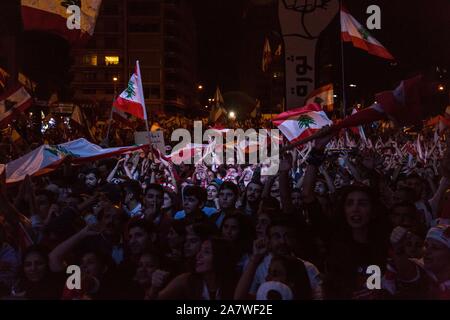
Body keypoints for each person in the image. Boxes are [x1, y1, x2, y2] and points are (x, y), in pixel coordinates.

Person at [243, 217, 323, 300]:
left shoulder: (308, 268)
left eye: (287, 236)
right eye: (276, 236)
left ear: (294, 240)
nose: (282, 241)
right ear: (268, 240)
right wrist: (255, 258)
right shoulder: (259, 267)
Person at [149, 238, 238, 300]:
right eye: (200, 251)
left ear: (220, 258)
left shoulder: (234, 283)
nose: (198, 256)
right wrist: (154, 288)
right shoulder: (186, 280)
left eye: (206, 252)